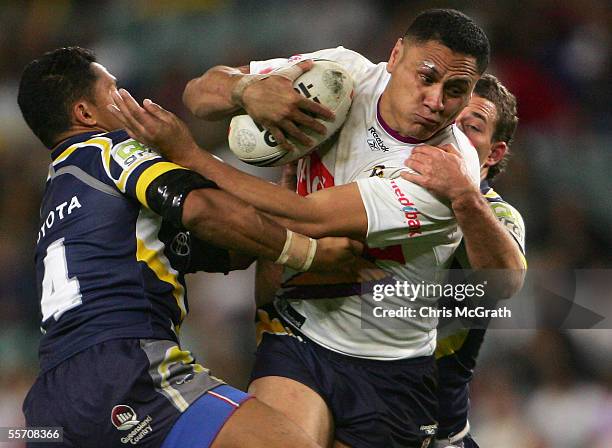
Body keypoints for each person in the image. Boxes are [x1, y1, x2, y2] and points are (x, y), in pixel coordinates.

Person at [109, 9, 520, 447]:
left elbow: (308, 215)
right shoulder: (342, 73)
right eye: (426, 77)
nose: (436, 101)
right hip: (300, 336)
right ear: (396, 55)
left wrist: (190, 155)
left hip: (389, 370)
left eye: (455, 90)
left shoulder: (446, 173)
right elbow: (199, 94)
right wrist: (246, 90)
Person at [18, 47, 362, 448]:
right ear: (85, 114)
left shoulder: (58, 196)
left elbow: (231, 246)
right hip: (125, 370)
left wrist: (282, 204)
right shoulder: (109, 150)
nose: (129, 100)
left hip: (48, 409)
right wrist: (309, 253)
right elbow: (201, 210)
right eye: (116, 91)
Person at [402, 75, 526, 448]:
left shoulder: (499, 216)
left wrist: (462, 195)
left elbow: (504, 281)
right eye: (450, 120)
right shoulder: (385, 186)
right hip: (353, 401)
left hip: (438, 431)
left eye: (471, 128)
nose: (454, 135)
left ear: (494, 154)